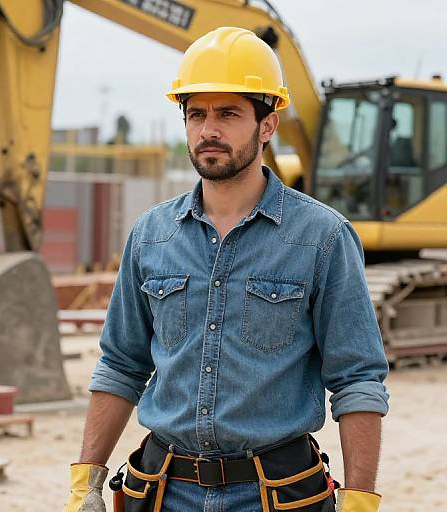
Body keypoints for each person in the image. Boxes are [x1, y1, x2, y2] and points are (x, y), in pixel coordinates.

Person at [64, 27, 389, 512]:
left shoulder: (322, 238)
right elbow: (121, 365)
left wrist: (361, 500)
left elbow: (357, 379)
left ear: (267, 125)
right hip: (162, 491)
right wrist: (86, 481)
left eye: (228, 114)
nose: (208, 130)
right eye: (196, 114)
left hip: (276, 496)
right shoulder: (152, 236)